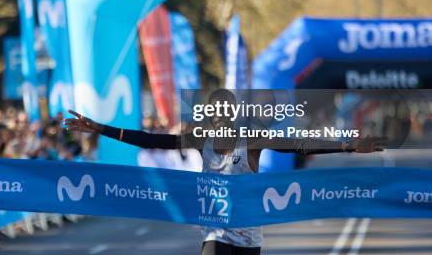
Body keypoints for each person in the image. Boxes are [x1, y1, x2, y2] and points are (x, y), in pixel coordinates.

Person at [65, 89, 387, 255]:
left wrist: (347, 146)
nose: (219, 117)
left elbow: (298, 144)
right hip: (215, 229)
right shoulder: (200, 140)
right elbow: (153, 141)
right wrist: (100, 128)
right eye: (213, 112)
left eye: (225, 111)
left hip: (249, 232)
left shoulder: (252, 142)